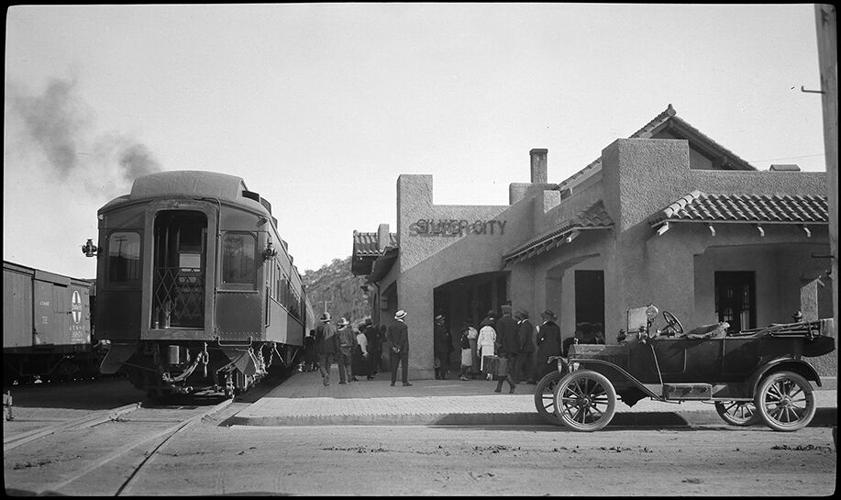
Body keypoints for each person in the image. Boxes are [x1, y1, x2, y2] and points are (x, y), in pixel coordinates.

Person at [494, 304, 520, 393]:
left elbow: (500, 335)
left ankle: (511, 385)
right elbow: (517, 336)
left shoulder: (500, 321)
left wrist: (497, 346)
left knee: (503, 368)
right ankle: (499, 387)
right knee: (508, 368)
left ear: (503, 312)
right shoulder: (514, 322)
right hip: (513, 349)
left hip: (504, 349)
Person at [535, 309, 562, 381]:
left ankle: (543, 381)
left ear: (545, 318)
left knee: (543, 366)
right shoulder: (557, 327)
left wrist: (538, 332)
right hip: (555, 350)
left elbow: (538, 340)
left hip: (545, 350)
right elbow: (558, 340)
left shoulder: (543, 327)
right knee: (553, 366)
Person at [388, 309, 412, 386]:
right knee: (404, 365)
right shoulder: (404, 326)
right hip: (403, 349)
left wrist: (393, 347)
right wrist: (399, 347)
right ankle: (404, 381)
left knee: (394, 365)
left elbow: (389, 338)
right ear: (403, 317)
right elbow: (403, 338)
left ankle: (393, 381)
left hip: (394, 349)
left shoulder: (391, 326)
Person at [315, 312, 338, 386]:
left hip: (322, 349)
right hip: (331, 349)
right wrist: (336, 349)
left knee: (322, 365)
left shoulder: (319, 328)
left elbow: (317, 340)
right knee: (328, 365)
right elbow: (335, 340)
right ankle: (327, 382)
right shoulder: (334, 327)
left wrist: (316, 349)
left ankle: (325, 374)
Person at [516, 311, 536, 384]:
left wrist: (520, 346)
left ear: (522, 317)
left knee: (519, 363)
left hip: (524, 348)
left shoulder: (524, 325)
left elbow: (522, 337)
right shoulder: (529, 324)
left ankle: (517, 378)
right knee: (529, 364)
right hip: (530, 347)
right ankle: (530, 378)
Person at [336, 317, 357, 383]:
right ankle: (349, 377)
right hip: (349, 349)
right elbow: (355, 340)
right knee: (348, 364)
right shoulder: (350, 331)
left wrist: (337, 350)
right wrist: (353, 348)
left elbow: (336, 342)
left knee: (341, 365)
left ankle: (343, 380)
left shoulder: (338, 332)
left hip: (340, 349)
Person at [477, 314, 497, 378]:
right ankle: (490, 373)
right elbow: (495, 338)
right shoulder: (492, 329)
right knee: (491, 359)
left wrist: (478, 348)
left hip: (484, 346)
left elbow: (480, 339)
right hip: (491, 346)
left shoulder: (482, 330)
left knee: (484, 359)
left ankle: (485, 373)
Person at [433, 314, 452, 380]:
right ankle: (442, 375)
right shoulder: (442, 328)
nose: (443, 321)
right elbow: (445, 338)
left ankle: (437, 375)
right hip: (443, 348)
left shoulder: (434, 328)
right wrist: (447, 335)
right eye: (442, 320)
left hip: (436, 348)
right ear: (439, 321)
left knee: (437, 362)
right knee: (443, 362)